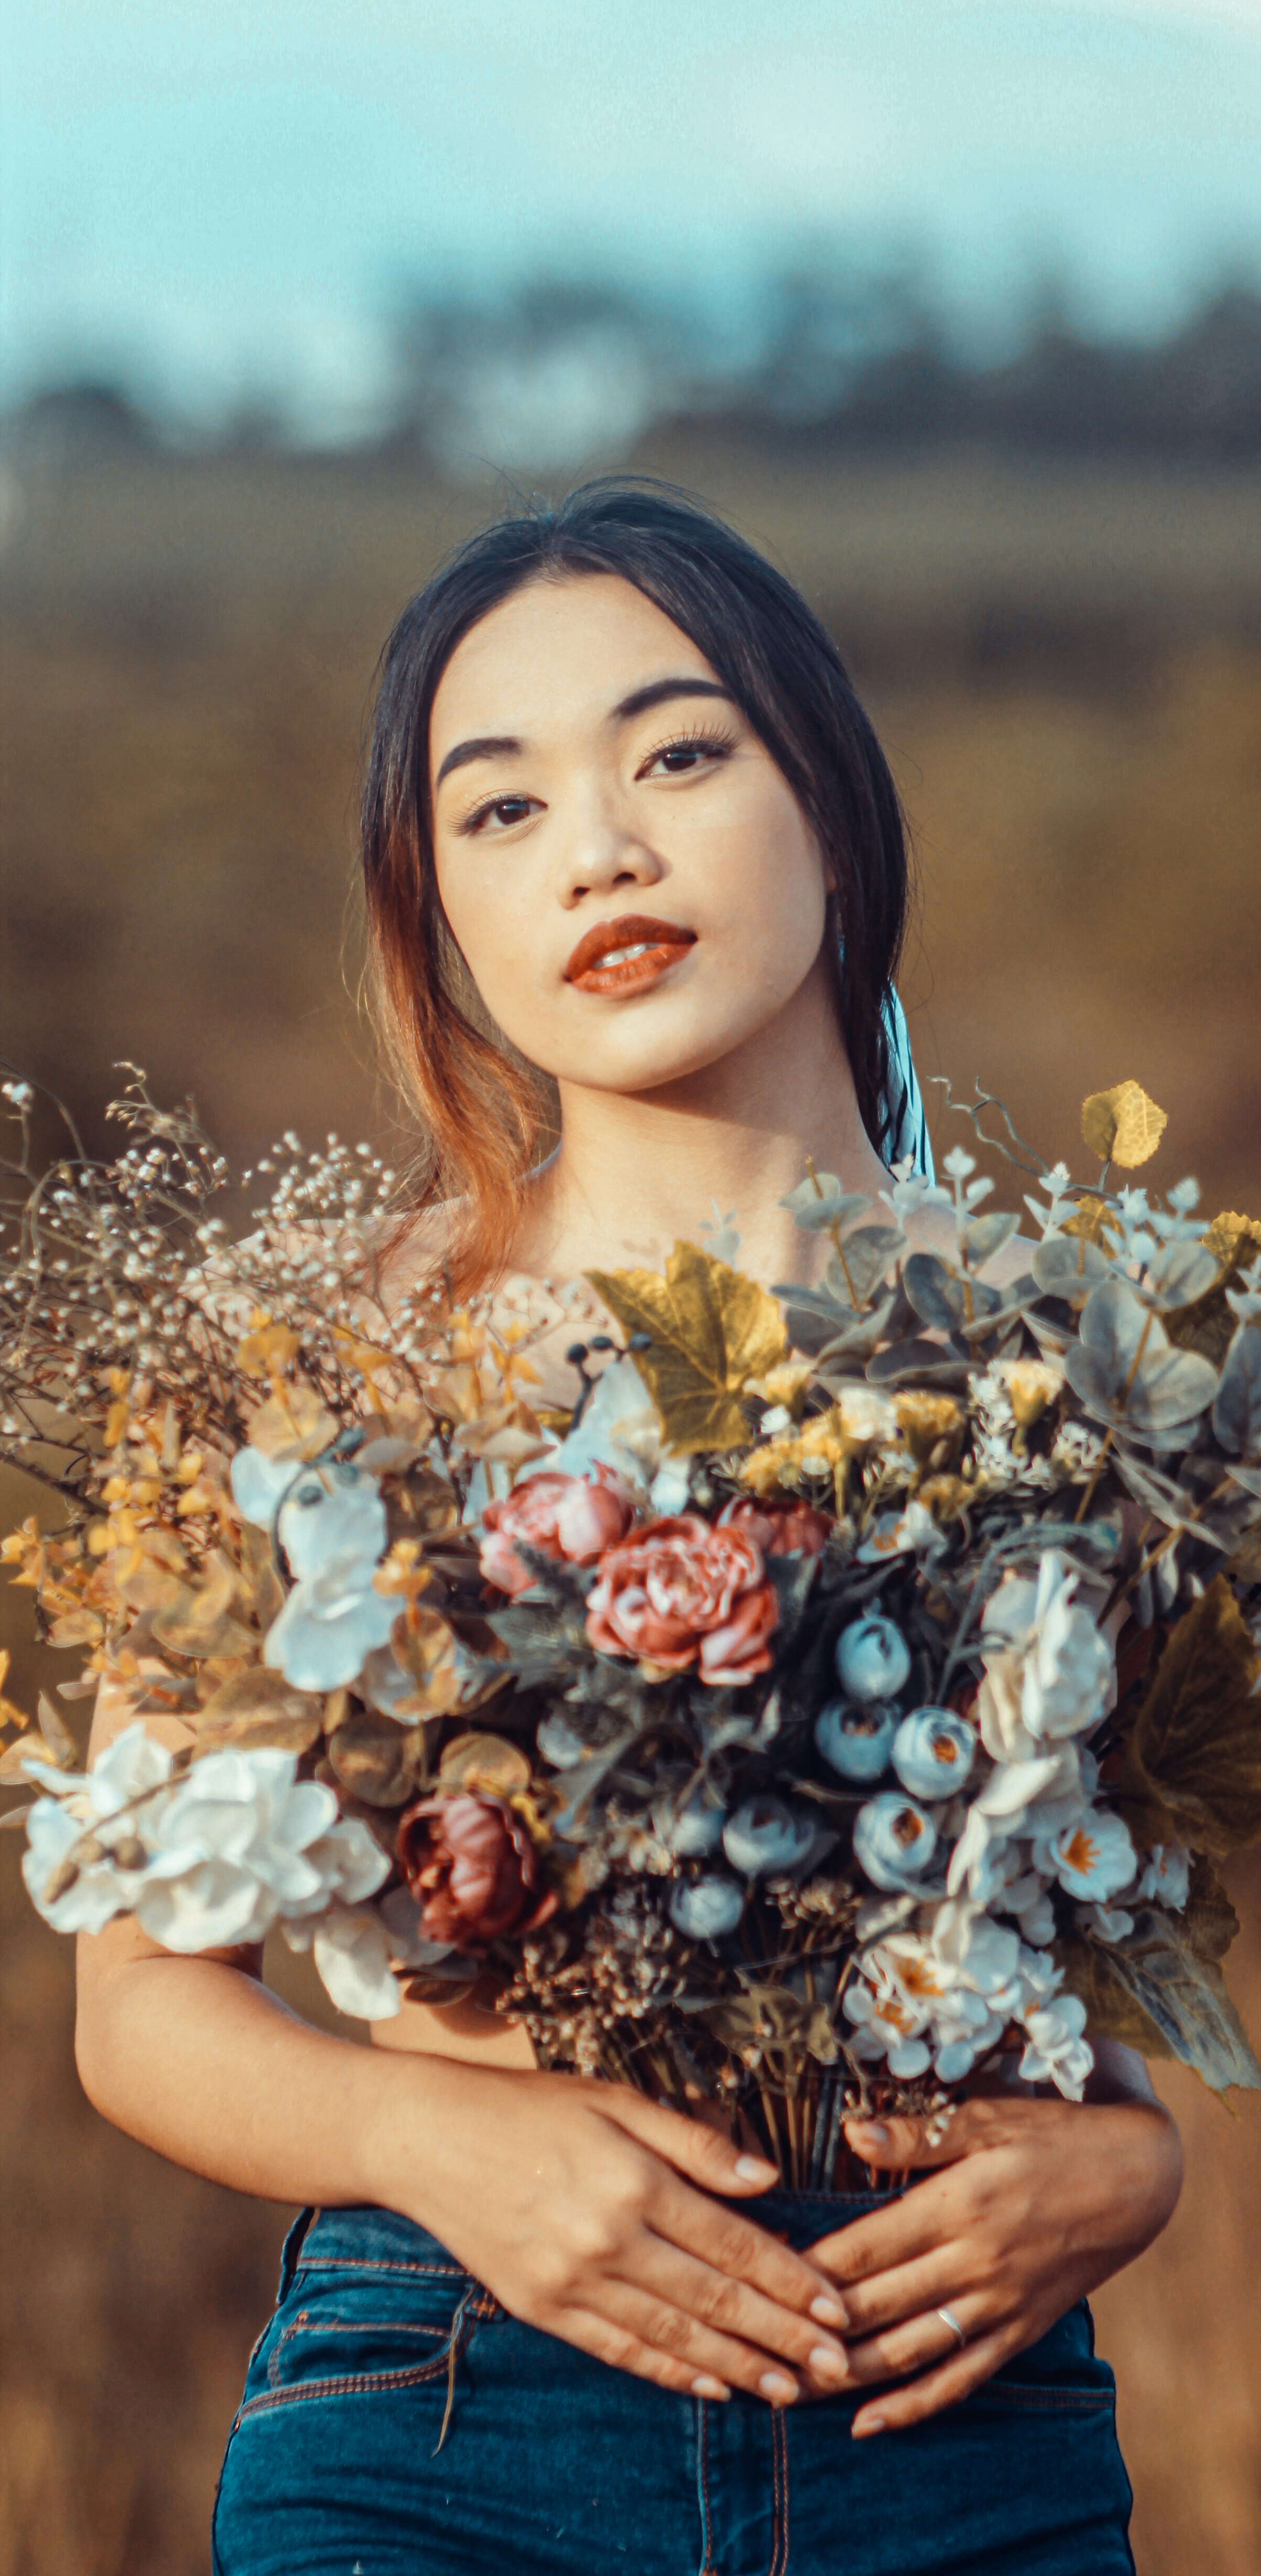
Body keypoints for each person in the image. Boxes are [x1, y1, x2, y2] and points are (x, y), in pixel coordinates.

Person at [73, 478, 1185, 2576]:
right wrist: (441, 2143)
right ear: (444, 918)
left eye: (680, 754)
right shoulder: (304, 1371)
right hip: (451, 2413)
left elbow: (1093, 1959)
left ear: (831, 801)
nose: (600, 849)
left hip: (959, 2435)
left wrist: (1140, 2161)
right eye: (498, 811)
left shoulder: (1108, 1371)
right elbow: (139, 2010)